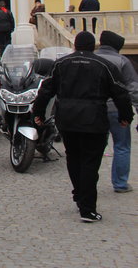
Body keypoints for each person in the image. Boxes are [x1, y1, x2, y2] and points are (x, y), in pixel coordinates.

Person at [34, 31, 133, 222]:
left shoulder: (61, 64)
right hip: (94, 119)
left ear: (75, 46)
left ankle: (80, 195)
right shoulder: (105, 65)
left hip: (67, 118)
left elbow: (46, 90)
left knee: (74, 157)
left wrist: (37, 113)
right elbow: (121, 94)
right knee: (90, 163)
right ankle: (87, 208)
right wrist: (125, 116)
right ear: (93, 46)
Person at [94, 30, 138, 193]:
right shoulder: (122, 61)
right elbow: (133, 89)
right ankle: (120, 183)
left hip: (95, 110)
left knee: (95, 147)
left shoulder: (93, 59)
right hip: (118, 110)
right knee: (122, 146)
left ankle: (90, 182)